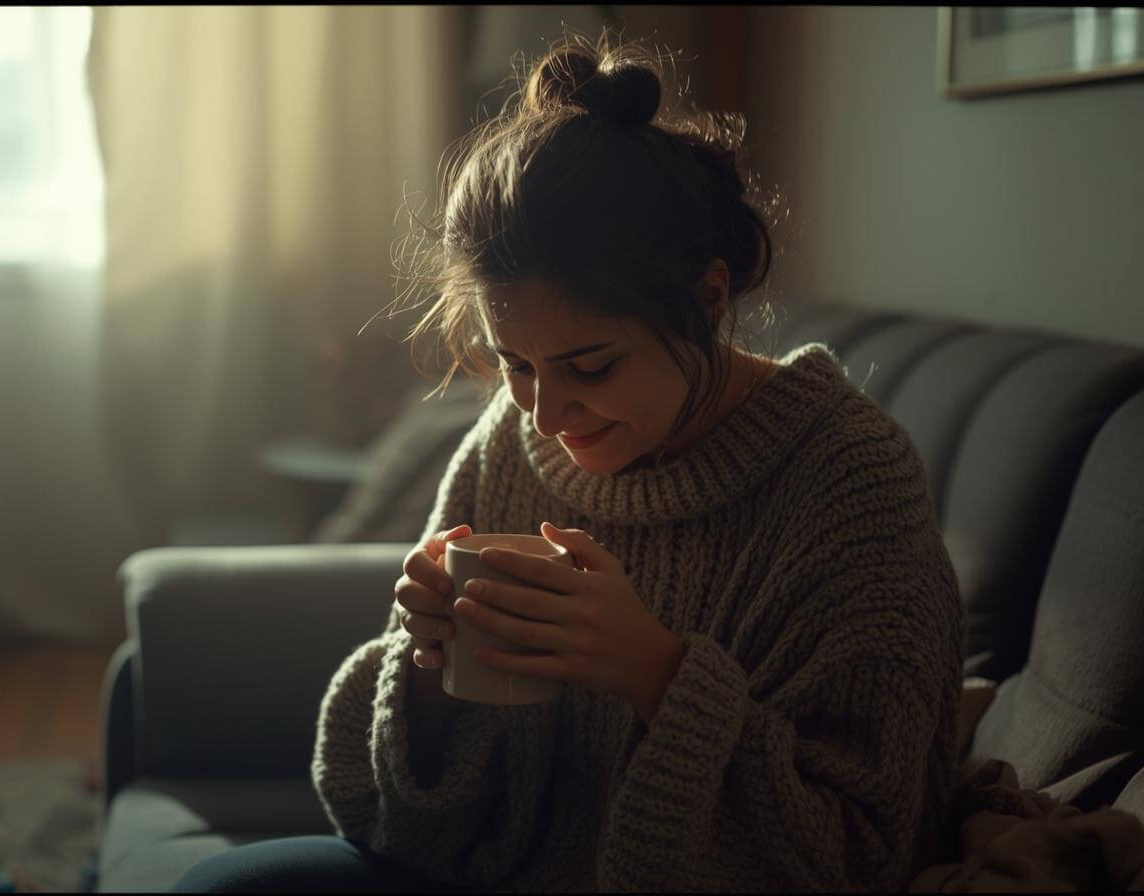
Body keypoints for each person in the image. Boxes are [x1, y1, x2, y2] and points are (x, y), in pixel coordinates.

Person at [175, 29, 964, 893]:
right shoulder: (509, 444)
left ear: (707, 300)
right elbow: (391, 814)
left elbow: (861, 851)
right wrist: (430, 669)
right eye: (513, 363)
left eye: (591, 366)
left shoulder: (848, 481)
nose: (544, 415)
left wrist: (654, 673)